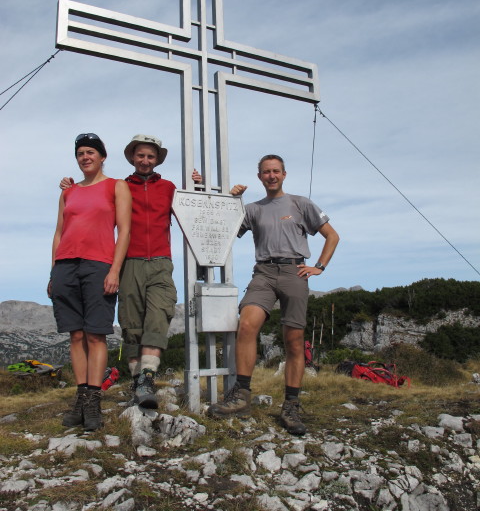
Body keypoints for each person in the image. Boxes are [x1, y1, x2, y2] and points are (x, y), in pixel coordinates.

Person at [60, 134, 201, 410]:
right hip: (127, 262)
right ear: (132, 158)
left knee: (159, 315)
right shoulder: (119, 187)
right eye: (140, 156)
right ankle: (139, 383)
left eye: (151, 156)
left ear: (157, 159)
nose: (145, 160)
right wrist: (69, 185)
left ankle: (148, 377)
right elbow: (92, 201)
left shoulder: (169, 187)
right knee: (131, 323)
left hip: (161, 261)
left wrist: (198, 185)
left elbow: (193, 209)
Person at [208, 154, 339, 435]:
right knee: (246, 324)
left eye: (276, 171)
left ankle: (291, 405)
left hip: (295, 272)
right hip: (264, 273)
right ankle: (241, 395)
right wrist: (233, 202)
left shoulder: (301, 203)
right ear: (260, 177)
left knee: (293, 340)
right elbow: (224, 231)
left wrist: (319, 267)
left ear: (284, 174)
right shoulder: (253, 209)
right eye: (266, 172)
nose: (271, 176)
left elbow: (332, 236)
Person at [50, 133, 131, 431]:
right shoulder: (68, 192)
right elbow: (59, 232)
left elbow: (124, 231)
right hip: (65, 265)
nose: (85, 157)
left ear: (102, 156)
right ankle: (81, 398)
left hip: (99, 265)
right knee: (75, 335)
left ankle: (94, 401)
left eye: (91, 152)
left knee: (96, 334)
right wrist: (53, 270)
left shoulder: (116, 186)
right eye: (81, 153)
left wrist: (114, 270)